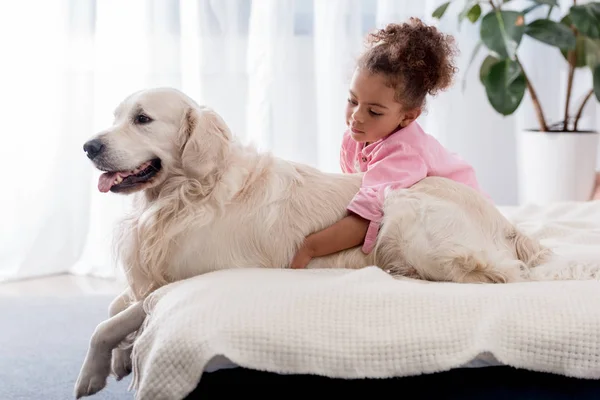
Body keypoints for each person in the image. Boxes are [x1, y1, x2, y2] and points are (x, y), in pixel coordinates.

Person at [289, 17, 486, 270]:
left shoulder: (402, 154)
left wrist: (309, 247)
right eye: (352, 100)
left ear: (407, 116)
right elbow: (352, 195)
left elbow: (365, 216)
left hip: (466, 217)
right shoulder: (356, 136)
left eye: (374, 112)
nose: (357, 116)